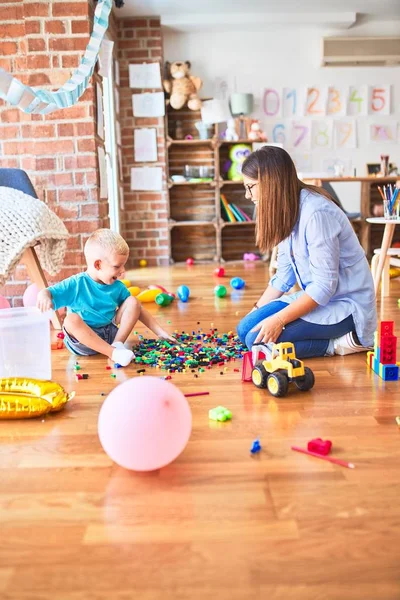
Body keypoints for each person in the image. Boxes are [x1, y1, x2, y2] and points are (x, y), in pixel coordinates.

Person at [236, 146, 377, 359]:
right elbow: (283, 276)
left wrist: (279, 320)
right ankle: (322, 338)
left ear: (270, 182)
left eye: (250, 187)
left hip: (346, 304)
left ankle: (336, 344)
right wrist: (256, 309)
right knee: (245, 329)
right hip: (317, 298)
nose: (248, 195)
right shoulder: (286, 209)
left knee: (256, 344)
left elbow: (323, 287)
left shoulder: (317, 214)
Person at [37, 229, 175, 366]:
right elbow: (47, 292)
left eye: (123, 265)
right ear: (98, 265)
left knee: (133, 301)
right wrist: (44, 296)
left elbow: (137, 309)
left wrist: (160, 332)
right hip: (82, 342)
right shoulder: (76, 284)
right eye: (117, 266)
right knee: (70, 320)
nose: (122, 271)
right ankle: (113, 353)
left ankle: (118, 345)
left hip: (109, 335)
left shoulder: (117, 286)